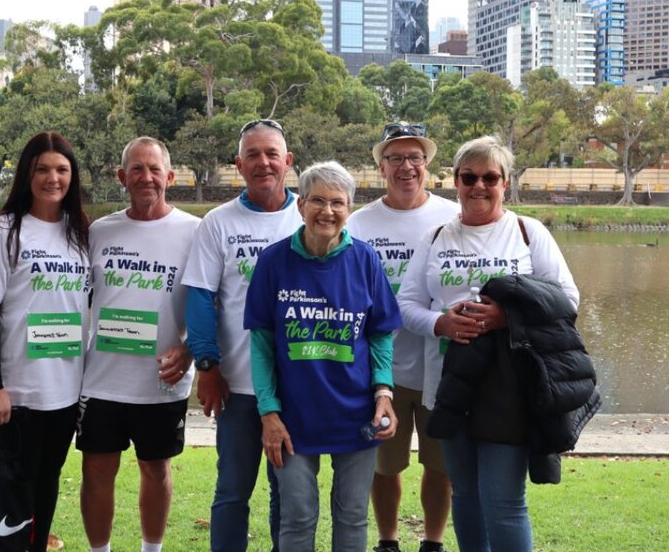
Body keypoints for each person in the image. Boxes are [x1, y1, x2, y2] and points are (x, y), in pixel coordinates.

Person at [397, 136, 580, 552]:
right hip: (448, 383)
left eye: (490, 177)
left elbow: (568, 300)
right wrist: (440, 323)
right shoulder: (436, 236)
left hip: (509, 387)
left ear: (505, 181)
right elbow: (405, 305)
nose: (479, 186)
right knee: (465, 493)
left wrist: (505, 317)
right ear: (456, 181)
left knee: (503, 502)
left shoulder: (526, 232)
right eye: (469, 177)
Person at [244, 160, 402, 552]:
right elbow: (261, 345)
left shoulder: (365, 260)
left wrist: (384, 393)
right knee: (297, 517)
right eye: (317, 200)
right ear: (301, 205)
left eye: (338, 203)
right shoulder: (273, 261)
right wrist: (268, 412)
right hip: (293, 416)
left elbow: (381, 333)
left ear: (349, 209)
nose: (327, 211)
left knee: (352, 515)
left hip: (358, 414)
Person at [0, 131, 91, 552]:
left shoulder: (80, 233)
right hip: (17, 392)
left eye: (61, 169)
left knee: (48, 482)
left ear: (72, 176)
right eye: (42, 169)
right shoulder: (3, 230)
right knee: (14, 486)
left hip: (66, 390)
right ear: (26, 174)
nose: (52, 178)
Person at [181, 119, 302, 552]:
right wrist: (208, 365)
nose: (263, 162)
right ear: (238, 165)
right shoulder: (217, 223)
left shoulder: (312, 214)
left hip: (297, 385)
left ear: (288, 162)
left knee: (288, 493)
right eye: (253, 154)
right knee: (232, 490)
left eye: (272, 154)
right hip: (238, 384)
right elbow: (200, 299)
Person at [77, 137, 199, 552]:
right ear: (121, 177)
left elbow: (212, 303)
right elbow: (74, 299)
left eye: (154, 169)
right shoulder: (99, 231)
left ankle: (152, 550)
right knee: (95, 471)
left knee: (156, 469)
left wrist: (190, 350)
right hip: (102, 380)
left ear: (170, 176)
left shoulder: (194, 232)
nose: (146, 177)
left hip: (161, 380)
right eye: (136, 169)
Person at [347, 123, 459, 552]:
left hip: (439, 366)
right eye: (396, 158)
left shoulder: (450, 217)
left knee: (441, 464)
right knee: (384, 465)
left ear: (427, 165)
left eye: (415, 158)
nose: (406, 167)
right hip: (380, 372)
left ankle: (432, 542)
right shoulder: (359, 222)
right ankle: (388, 541)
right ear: (381, 167)